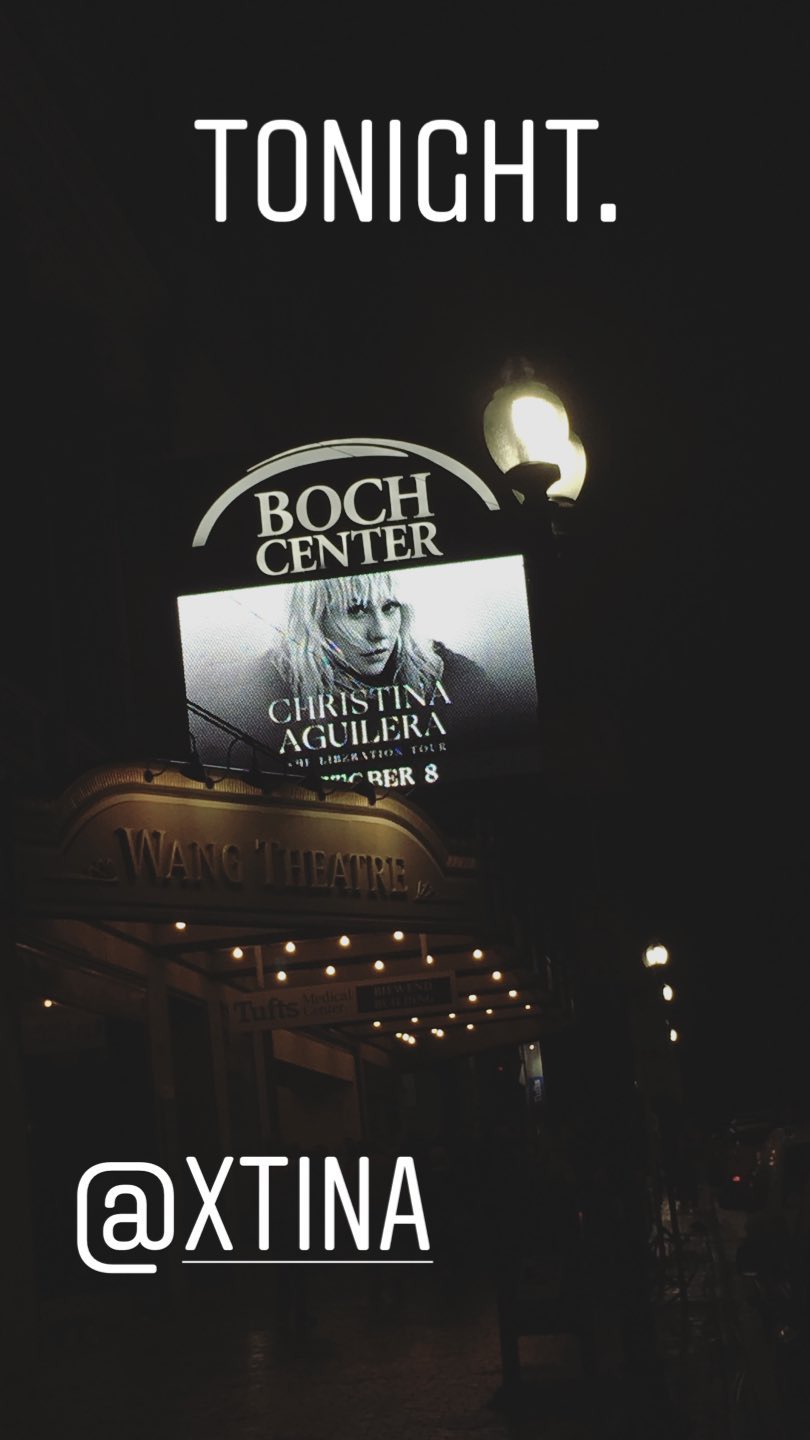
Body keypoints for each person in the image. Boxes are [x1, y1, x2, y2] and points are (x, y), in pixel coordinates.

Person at [192, 570, 498, 767]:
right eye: (357, 611)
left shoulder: (453, 677)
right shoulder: (263, 688)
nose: (380, 632)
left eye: (390, 607)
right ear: (316, 619)